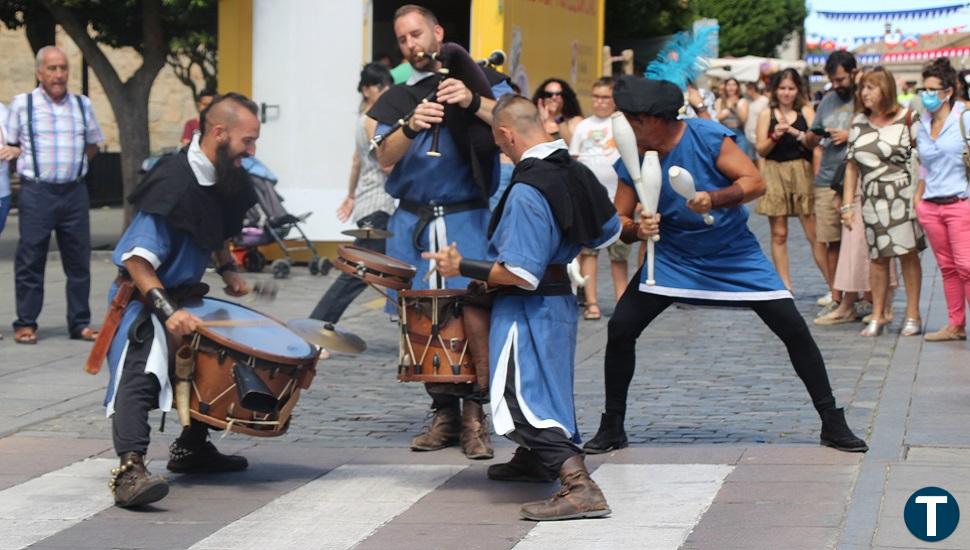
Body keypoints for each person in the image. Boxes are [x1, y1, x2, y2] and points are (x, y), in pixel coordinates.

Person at [583, 76, 868, 456]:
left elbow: (755, 182)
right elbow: (618, 221)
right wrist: (639, 228)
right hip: (673, 258)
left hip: (734, 255)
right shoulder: (632, 157)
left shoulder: (706, 137)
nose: (627, 129)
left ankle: (832, 421)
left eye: (633, 120)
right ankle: (612, 425)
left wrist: (712, 198)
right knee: (620, 329)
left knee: (794, 329)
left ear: (656, 119)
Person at [424, 95, 619, 521]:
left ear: (506, 134)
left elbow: (519, 273)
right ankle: (534, 461)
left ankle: (579, 486)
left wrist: (463, 266)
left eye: (499, 143)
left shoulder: (529, 189)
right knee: (546, 390)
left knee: (520, 396)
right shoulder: (575, 171)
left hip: (528, 309)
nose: (501, 151)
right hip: (558, 307)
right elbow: (607, 232)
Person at [93, 93, 261, 508]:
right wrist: (168, 314)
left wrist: (227, 269)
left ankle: (192, 448)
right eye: (247, 140)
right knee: (141, 372)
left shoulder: (225, 174)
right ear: (218, 133)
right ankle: (129, 471)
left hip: (186, 296)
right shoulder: (173, 180)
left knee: (215, 360)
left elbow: (215, 227)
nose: (252, 150)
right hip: (143, 300)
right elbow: (137, 261)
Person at [370, 5, 513, 460]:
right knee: (421, 320)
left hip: (464, 216)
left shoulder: (482, 85)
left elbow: (516, 125)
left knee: (471, 310)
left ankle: (475, 415)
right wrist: (411, 125)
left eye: (417, 35)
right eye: (403, 40)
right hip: (412, 221)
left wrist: (471, 101)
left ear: (438, 33)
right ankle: (443, 412)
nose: (412, 45)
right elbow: (383, 155)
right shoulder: (397, 97)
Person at [1, 46, 104, 345]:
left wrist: (75, 165)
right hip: (37, 191)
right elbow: (11, 146)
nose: (59, 75)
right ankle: (26, 323)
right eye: (52, 69)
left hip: (74, 191)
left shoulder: (82, 105)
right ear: (39, 72)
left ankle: (80, 322)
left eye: (63, 68)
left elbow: (93, 144)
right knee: (30, 258)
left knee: (78, 260)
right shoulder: (23, 105)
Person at [309, 63, 396, 333]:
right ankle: (317, 327)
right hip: (379, 205)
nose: (385, 93)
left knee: (369, 272)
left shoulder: (363, 119)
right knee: (358, 273)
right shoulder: (375, 121)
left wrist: (349, 196)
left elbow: (357, 161)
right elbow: (386, 163)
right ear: (366, 90)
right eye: (380, 87)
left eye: (387, 88)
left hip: (370, 203)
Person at [842, 68, 925, 337]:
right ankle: (878, 313)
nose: (865, 93)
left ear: (885, 90)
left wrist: (919, 195)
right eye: (863, 88)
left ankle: (912, 313)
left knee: (907, 255)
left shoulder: (907, 118)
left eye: (871, 88)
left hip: (902, 195)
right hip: (872, 198)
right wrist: (847, 205)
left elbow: (922, 159)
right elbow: (852, 166)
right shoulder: (858, 122)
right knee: (877, 258)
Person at [914, 58, 969, 341]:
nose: (927, 95)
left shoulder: (965, 117)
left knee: (967, 266)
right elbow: (925, 162)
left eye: (932, 90)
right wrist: (918, 197)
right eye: (924, 89)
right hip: (931, 205)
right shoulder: (922, 123)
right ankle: (955, 324)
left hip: (961, 202)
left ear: (948, 92)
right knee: (947, 267)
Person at [755, 68, 822, 294]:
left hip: (801, 171)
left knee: (813, 233)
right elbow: (761, 150)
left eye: (791, 88)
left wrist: (793, 132)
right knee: (779, 233)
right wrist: (775, 135)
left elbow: (815, 143)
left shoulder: (806, 111)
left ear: (798, 90)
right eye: (782, 88)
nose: (786, 93)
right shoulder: (767, 114)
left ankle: (834, 288)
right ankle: (785, 285)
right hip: (775, 171)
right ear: (775, 90)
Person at [569, 77, 629, 319]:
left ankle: (623, 303)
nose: (600, 102)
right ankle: (592, 302)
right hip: (590, 201)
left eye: (605, 97)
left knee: (619, 255)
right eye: (596, 97)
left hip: (619, 200)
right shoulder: (583, 126)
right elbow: (574, 159)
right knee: (589, 253)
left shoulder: (623, 124)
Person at [805, 52, 859, 313]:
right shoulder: (827, 101)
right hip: (827, 177)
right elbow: (812, 137)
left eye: (840, 79)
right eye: (833, 80)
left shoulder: (864, 97)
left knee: (860, 241)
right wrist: (812, 137)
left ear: (853, 72)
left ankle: (864, 296)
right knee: (830, 241)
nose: (837, 85)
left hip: (858, 178)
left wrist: (850, 134)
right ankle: (838, 296)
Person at [532, 78, 584, 144]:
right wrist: (542, 122)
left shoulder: (575, 121)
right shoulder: (535, 123)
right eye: (549, 95)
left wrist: (558, 117)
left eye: (558, 94)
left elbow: (571, 146)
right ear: (542, 98)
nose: (554, 97)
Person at [715, 78, 750, 156]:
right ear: (725, 87)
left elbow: (744, 120)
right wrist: (725, 113)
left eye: (734, 85)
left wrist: (734, 108)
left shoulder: (742, 101)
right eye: (729, 85)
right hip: (724, 134)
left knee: (741, 160)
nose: (731, 87)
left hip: (739, 134)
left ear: (737, 87)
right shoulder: (720, 101)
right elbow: (716, 119)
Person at [743, 81, 769, 163]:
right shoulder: (748, 102)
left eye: (747, 89)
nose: (746, 92)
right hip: (749, 137)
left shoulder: (764, 100)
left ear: (752, 89)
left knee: (761, 160)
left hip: (758, 137)